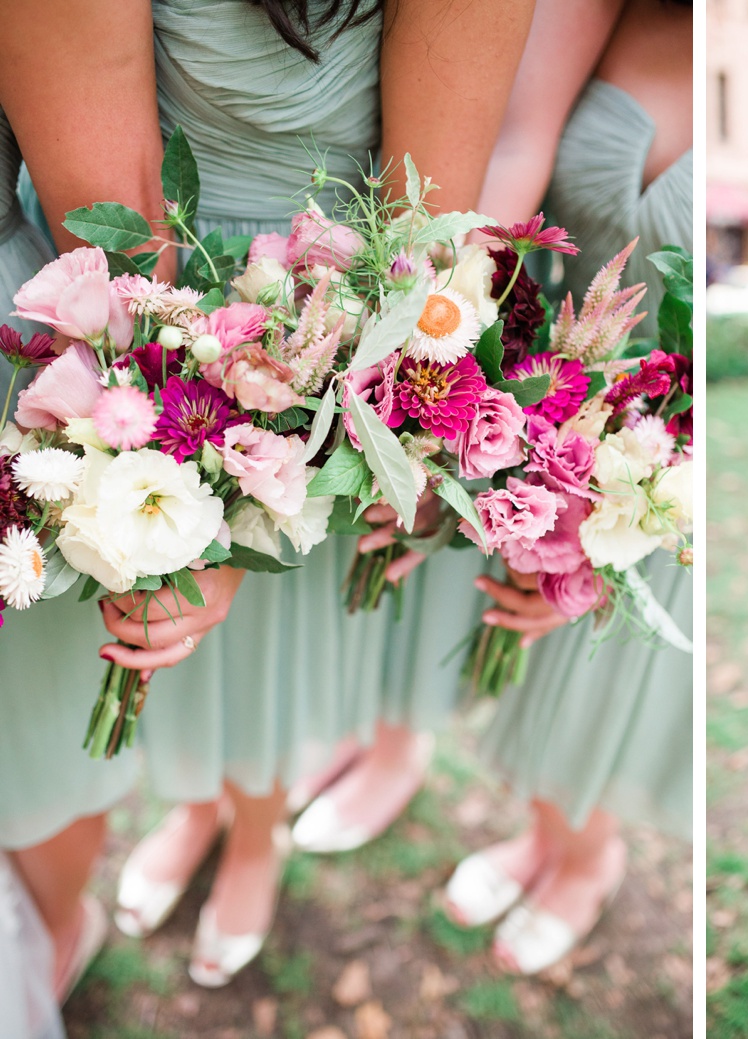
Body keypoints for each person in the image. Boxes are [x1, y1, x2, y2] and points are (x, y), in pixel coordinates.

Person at [100, 0, 532, 988]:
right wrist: (150, 392)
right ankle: (197, 804)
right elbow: (115, 179)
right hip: (165, 288)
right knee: (162, 604)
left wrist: (321, 418)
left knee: (265, 636)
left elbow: (421, 221)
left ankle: (254, 829)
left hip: (332, 317)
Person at [425, 0, 694, 976]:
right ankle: (541, 836)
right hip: (543, 392)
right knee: (524, 634)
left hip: (679, 447)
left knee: (605, 668)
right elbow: (509, 151)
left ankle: (583, 856)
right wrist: (458, 346)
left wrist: (650, 477)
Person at [0, 0, 211, 1005]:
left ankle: (47, 935)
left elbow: (118, 198)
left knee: (25, 743)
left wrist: (155, 446)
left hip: (26, 390)